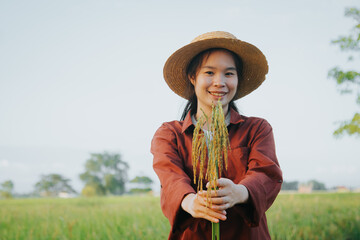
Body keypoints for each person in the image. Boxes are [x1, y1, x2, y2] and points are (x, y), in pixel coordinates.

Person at [151, 31, 283, 240]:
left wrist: (239, 192)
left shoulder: (257, 129)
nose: (219, 82)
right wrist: (191, 201)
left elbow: (266, 173)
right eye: (209, 73)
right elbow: (170, 177)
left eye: (229, 73)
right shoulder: (170, 134)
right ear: (193, 77)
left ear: (237, 79)